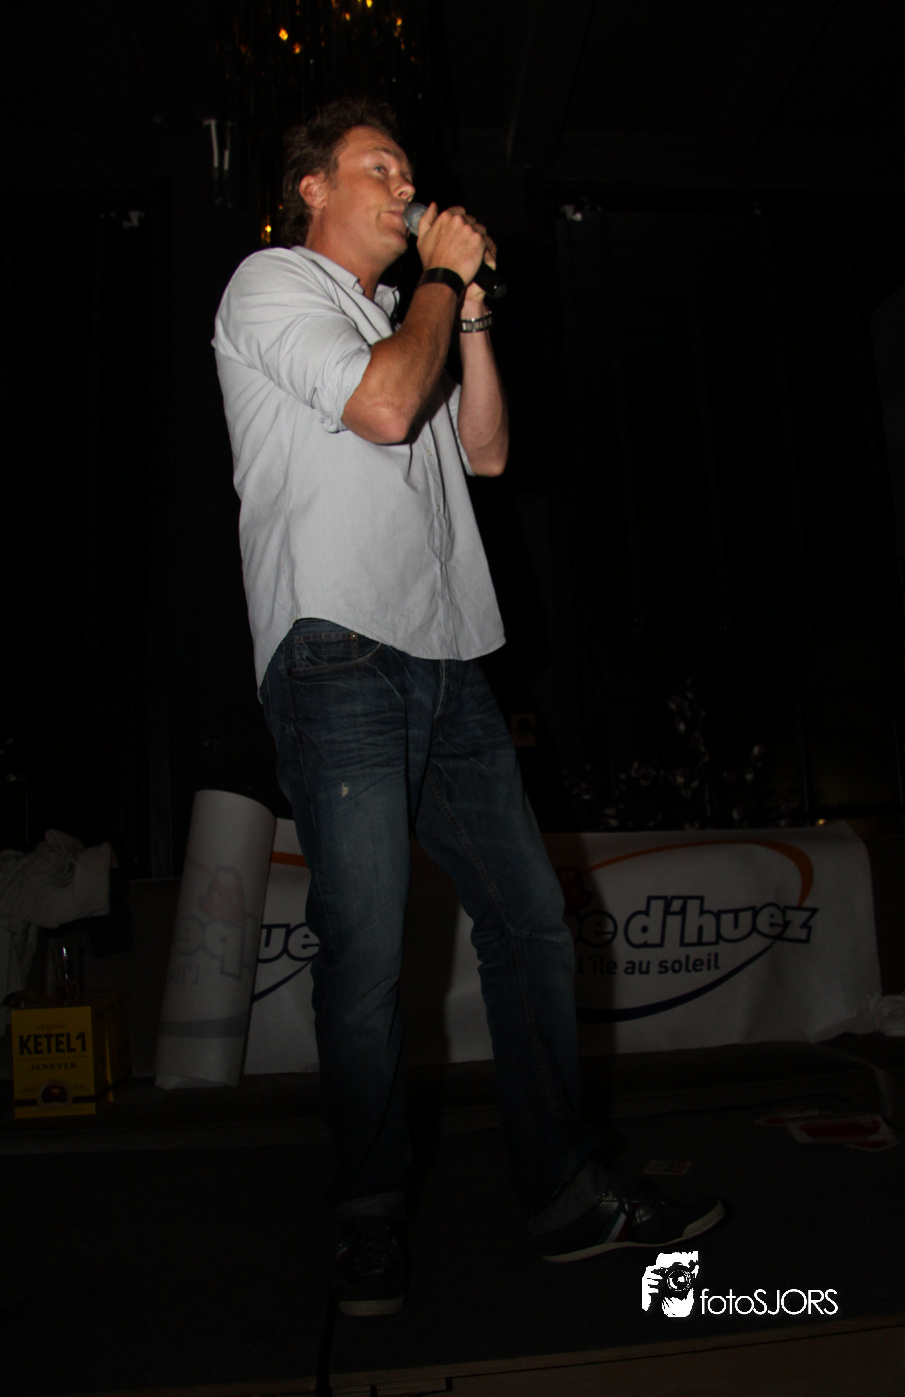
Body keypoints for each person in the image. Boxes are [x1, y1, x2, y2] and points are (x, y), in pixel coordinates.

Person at [213, 97, 723, 1317]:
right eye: (378, 167)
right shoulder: (270, 284)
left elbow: (483, 450)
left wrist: (469, 309)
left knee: (530, 920)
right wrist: (440, 283)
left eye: (408, 170)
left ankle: (561, 1192)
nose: (405, 185)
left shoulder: (416, 318)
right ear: (311, 189)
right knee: (367, 949)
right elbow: (386, 410)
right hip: (335, 651)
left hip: (446, 659)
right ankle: (368, 1215)